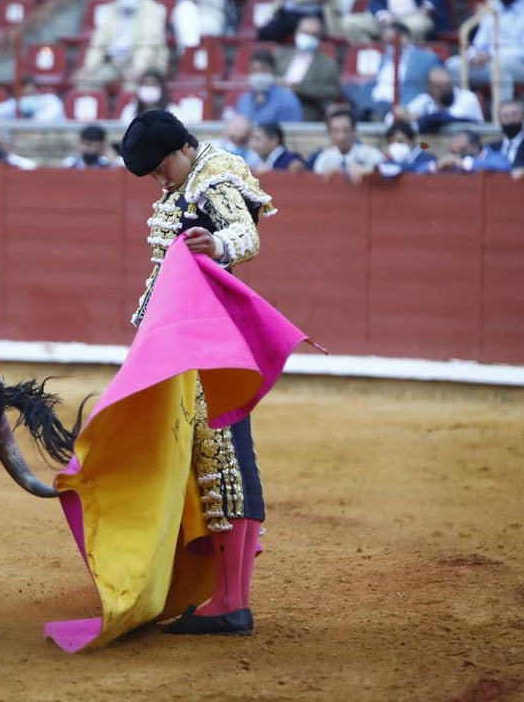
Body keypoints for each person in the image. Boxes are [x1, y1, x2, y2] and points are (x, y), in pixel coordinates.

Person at [117, 108, 276, 636]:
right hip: (187, 342)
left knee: (225, 457)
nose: (160, 182)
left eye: (162, 169)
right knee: (201, 458)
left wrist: (221, 245)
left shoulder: (213, 176)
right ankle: (217, 592)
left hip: (213, 343)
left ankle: (232, 601)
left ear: (183, 148)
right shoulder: (185, 181)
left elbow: (244, 236)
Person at [73, 0, 169, 92]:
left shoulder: (152, 9)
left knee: (132, 86)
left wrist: (139, 66)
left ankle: (128, 110)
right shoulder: (109, 10)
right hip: (114, 62)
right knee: (85, 82)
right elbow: (98, 42)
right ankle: (101, 110)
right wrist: (89, 68)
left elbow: (150, 41)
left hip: (146, 62)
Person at [342, 21, 444, 123]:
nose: (388, 46)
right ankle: (370, 112)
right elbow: (376, 83)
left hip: (402, 105)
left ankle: (373, 113)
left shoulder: (426, 58)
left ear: (405, 38)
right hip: (374, 101)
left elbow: (439, 84)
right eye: (386, 42)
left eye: (390, 41)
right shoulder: (385, 58)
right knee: (348, 87)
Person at [273, 15, 340, 123]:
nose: (307, 37)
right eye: (304, 32)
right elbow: (268, 76)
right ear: (296, 32)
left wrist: (297, 88)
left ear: (319, 39)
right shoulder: (280, 55)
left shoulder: (327, 64)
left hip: (305, 110)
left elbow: (331, 92)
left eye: (313, 35)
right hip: (275, 105)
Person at [388, 65, 484, 133]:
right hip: (432, 147)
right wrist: (402, 115)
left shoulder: (467, 97)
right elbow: (390, 119)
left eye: (448, 85)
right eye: (440, 87)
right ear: (429, 89)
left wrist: (415, 118)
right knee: (420, 146)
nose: (446, 90)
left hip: (468, 148)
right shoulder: (425, 100)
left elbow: (444, 118)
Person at [309, 108, 384, 182]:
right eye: (336, 131)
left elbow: (386, 168)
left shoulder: (370, 154)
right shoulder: (325, 158)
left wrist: (370, 170)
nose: (341, 137)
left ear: (354, 131)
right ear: (330, 133)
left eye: (346, 130)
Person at [230, 49, 303, 123]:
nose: (259, 74)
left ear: (273, 71)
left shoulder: (287, 99)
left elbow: (291, 131)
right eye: (255, 70)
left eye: (264, 70)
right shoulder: (244, 100)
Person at [0, 75, 66, 122]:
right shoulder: (14, 104)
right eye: (21, 87)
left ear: (33, 86)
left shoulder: (50, 100)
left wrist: (32, 120)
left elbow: (48, 118)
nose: (24, 90)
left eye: (27, 86)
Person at [487, 98, 524, 171]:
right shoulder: (491, 148)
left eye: (514, 115)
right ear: (500, 120)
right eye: (505, 116)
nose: (510, 119)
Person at [118, 68, 184, 123]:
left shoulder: (174, 111)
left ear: (161, 88)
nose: (149, 89)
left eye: (153, 84)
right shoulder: (130, 111)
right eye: (146, 85)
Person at [436, 128, 511, 174]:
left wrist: (465, 163)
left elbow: (506, 166)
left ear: (476, 146)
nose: (457, 155)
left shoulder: (496, 157)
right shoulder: (454, 164)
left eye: (463, 149)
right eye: (454, 152)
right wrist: (436, 167)